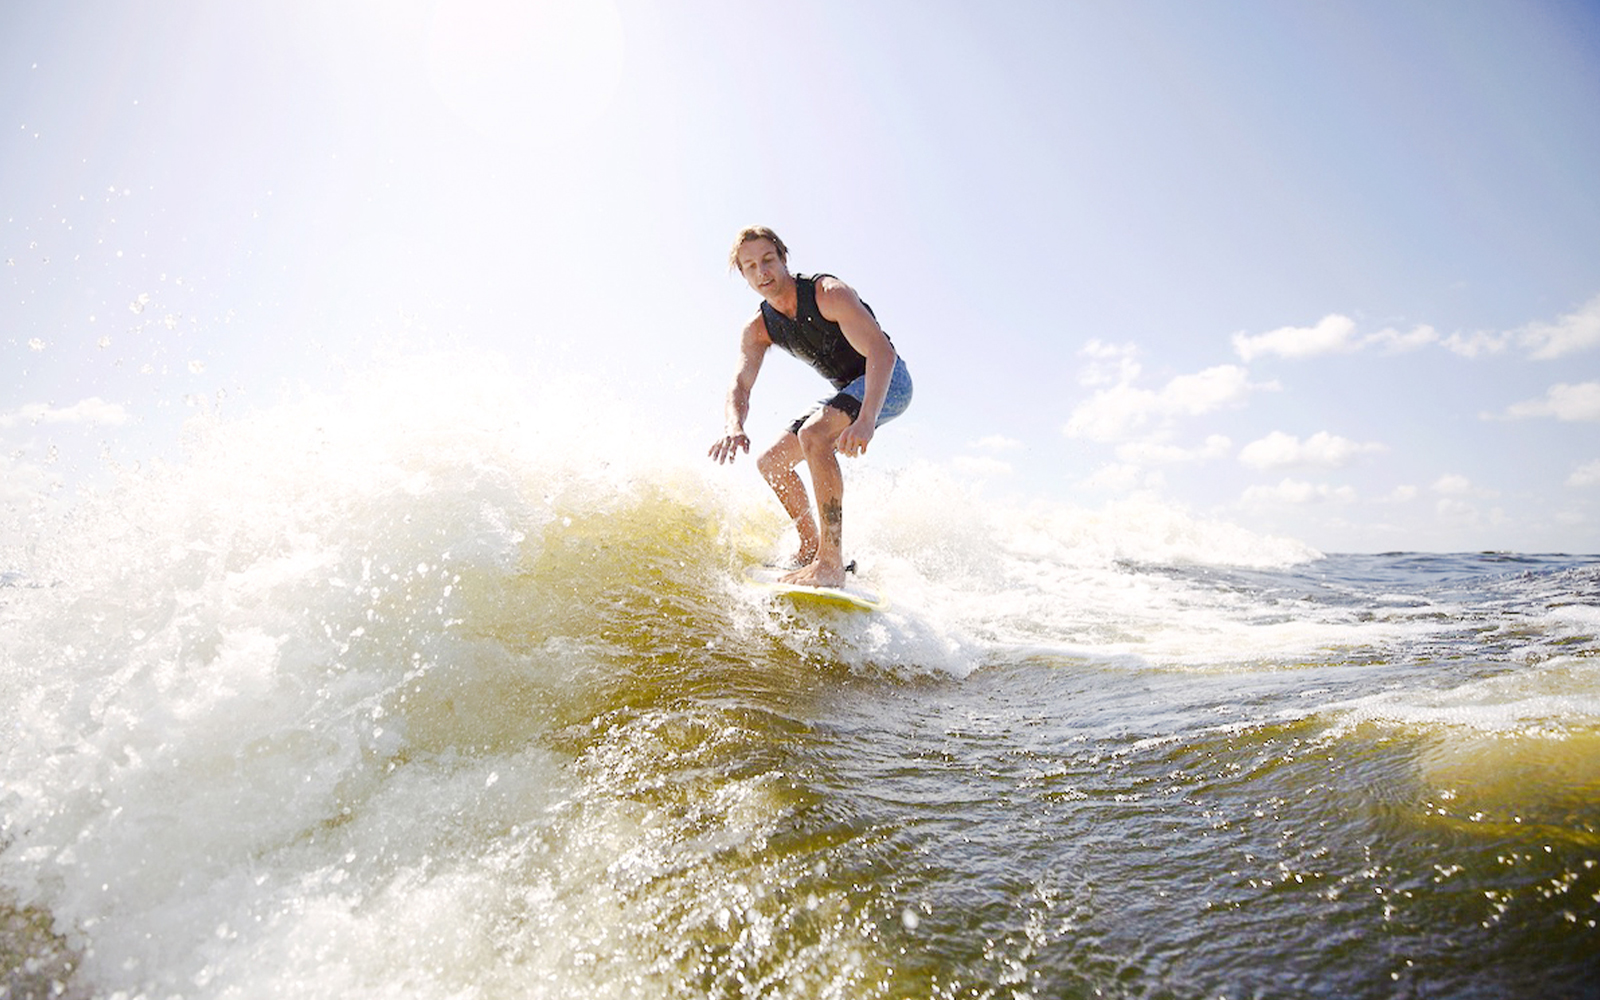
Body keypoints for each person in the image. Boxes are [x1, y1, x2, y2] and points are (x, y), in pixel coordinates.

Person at [708, 226, 913, 588]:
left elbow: (882, 352)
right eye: (751, 266)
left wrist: (866, 421)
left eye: (768, 260)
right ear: (743, 274)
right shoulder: (759, 328)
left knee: (814, 436)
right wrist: (733, 426)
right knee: (771, 463)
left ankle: (830, 564)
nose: (763, 273)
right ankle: (811, 548)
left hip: (889, 380)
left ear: (783, 258)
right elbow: (740, 383)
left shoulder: (828, 294)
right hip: (849, 389)